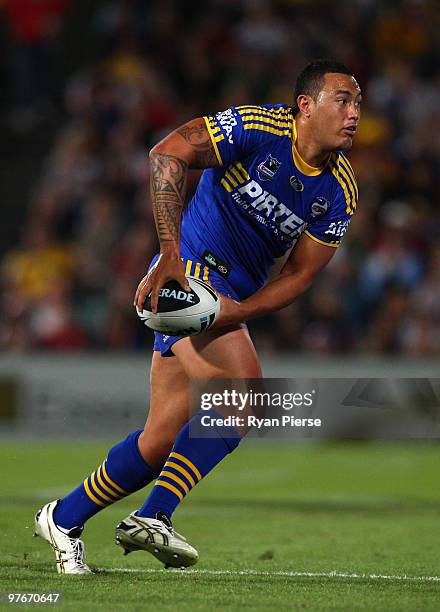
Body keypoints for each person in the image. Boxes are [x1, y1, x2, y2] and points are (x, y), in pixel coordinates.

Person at [34, 59, 361, 574]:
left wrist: (241, 310)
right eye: (342, 100)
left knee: (160, 439)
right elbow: (166, 153)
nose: (354, 113)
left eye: (358, 103)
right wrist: (167, 253)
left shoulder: (339, 191)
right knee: (244, 395)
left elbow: (300, 276)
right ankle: (155, 515)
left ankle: (64, 517)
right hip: (184, 276)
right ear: (306, 105)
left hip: (225, 300)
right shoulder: (257, 128)